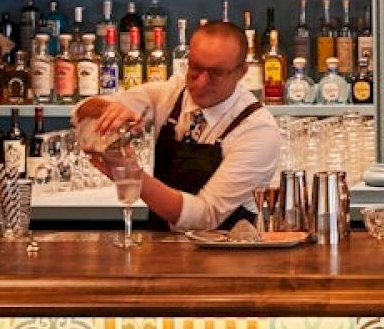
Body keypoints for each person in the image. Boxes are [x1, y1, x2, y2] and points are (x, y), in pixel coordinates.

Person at [73, 20, 280, 232]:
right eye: (195, 68)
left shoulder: (257, 129)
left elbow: (205, 216)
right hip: (158, 250)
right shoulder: (172, 93)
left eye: (216, 73)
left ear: (242, 72)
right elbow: (80, 110)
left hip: (225, 258)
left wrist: (133, 176)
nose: (200, 82)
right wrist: (106, 110)